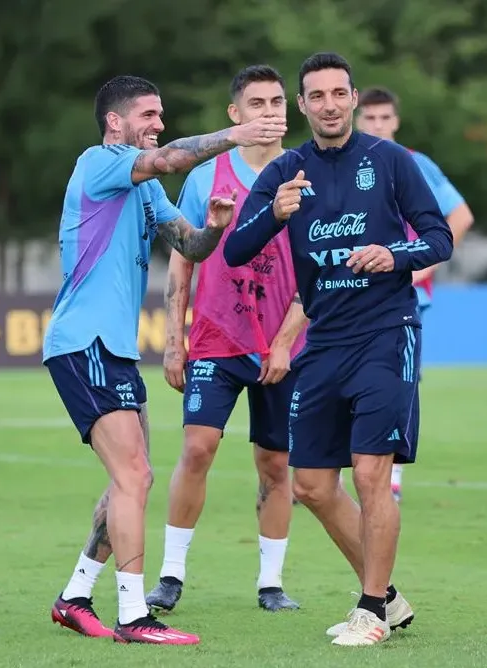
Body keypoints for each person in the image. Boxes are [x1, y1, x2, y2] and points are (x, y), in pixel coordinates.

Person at [43, 74, 287, 645]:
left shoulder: (144, 188)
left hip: (115, 349)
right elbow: (173, 158)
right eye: (148, 115)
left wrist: (215, 228)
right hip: (85, 342)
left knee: (130, 480)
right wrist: (237, 135)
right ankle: (133, 616)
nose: (159, 124)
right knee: (134, 476)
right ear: (115, 122)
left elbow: (190, 246)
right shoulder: (99, 163)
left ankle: (76, 595)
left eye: (160, 115)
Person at [223, 52, 453, 646]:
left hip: (387, 332)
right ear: (303, 105)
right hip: (322, 341)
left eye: (338, 93)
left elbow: (439, 237)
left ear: (352, 98)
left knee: (372, 473)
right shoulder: (287, 170)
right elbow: (234, 250)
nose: (329, 105)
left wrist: (393, 255)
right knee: (311, 486)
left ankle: (370, 609)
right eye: (317, 96)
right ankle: (388, 598)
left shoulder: (391, 160)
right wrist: (273, 214)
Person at [145, 65, 306, 617]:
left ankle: (271, 583)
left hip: (283, 346)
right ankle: (170, 576)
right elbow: (183, 258)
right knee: (197, 449)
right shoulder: (205, 176)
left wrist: (285, 341)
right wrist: (174, 340)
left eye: (278, 102)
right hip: (216, 338)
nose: (270, 112)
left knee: (275, 464)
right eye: (257, 104)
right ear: (235, 115)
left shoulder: (305, 176)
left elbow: (316, 272)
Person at [355, 86, 474, 502]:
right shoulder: (344, 162)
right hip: (350, 292)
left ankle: (393, 478)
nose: (377, 125)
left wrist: (423, 266)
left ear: (396, 121)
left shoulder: (415, 163)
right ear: (358, 119)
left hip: (402, 294)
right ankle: (335, 470)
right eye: (370, 118)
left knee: (398, 378)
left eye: (384, 118)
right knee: (343, 377)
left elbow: (460, 215)